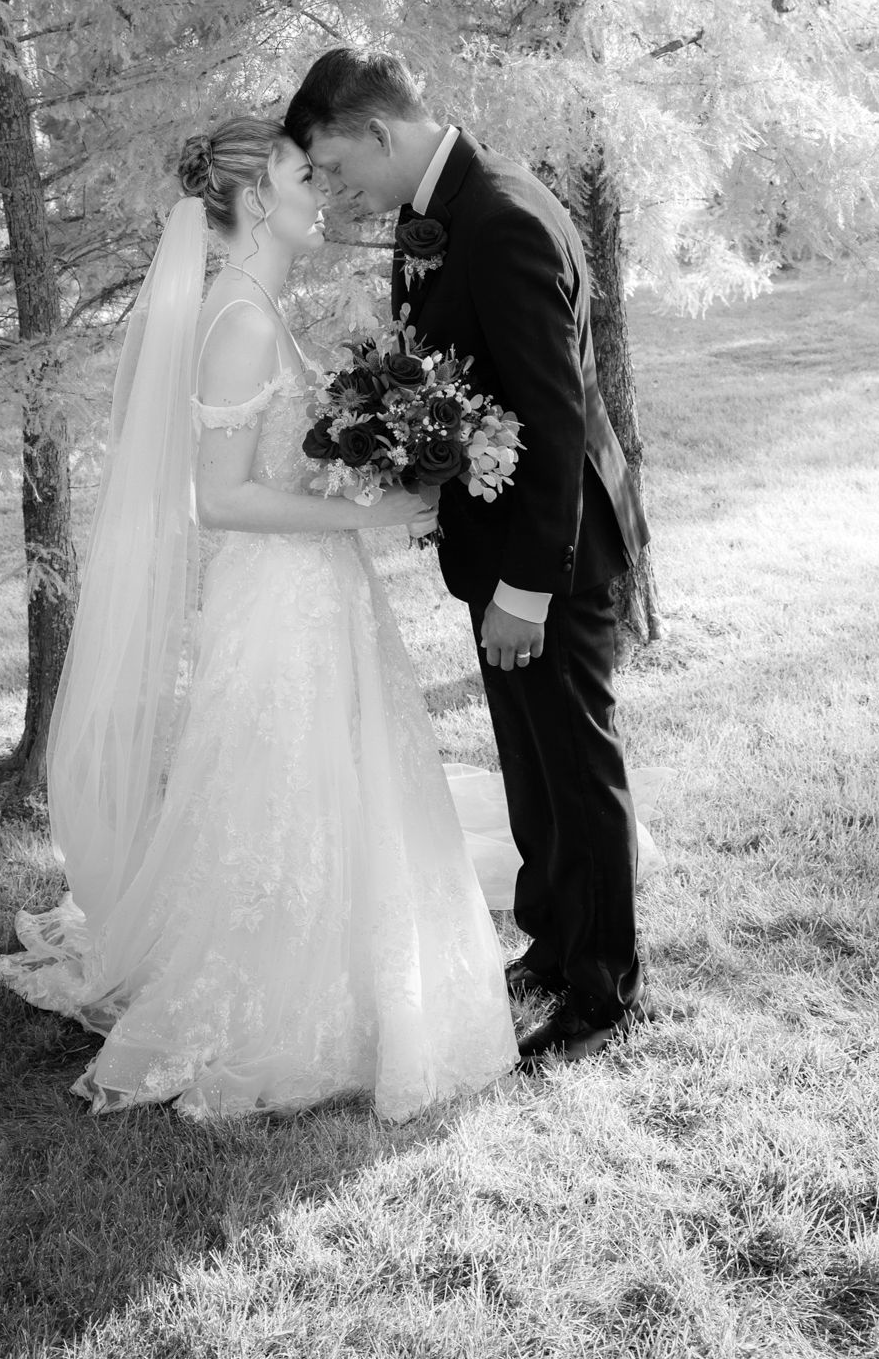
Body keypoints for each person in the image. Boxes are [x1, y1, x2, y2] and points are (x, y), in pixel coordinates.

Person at [0, 116, 518, 1117]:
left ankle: (360, 974)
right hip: (278, 601)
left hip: (314, 588)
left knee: (331, 785)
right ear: (248, 197)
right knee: (286, 793)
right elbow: (219, 497)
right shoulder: (236, 318)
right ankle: (274, 1001)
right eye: (298, 174)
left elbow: (284, 456)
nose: (319, 188)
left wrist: (370, 459)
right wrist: (366, 508)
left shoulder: (259, 306)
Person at [286, 52, 652, 1065]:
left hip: (555, 555)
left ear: (375, 130)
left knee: (576, 765)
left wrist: (528, 587)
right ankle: (552, 940)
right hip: (494, 552)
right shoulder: (431, 212)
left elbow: (554, 412)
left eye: (330, 162)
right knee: (529, 763)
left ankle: (604, 987)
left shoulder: (500, 217)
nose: (332, 186)